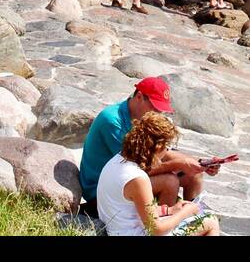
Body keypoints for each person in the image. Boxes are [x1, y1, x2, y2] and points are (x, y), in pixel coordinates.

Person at [78, 78, 221, 220]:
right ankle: (161, 226)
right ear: (139, 96)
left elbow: (164, 154)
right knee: (169, 182)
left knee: (194, 175)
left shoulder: (142, 119)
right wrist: (179, 164)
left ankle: (190, 222)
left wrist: (201, 164)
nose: (158, 114)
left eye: (161, 111)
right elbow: (134, 168)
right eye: (155, 108)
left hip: (128, 178)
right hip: (101, 191)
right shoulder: (112, 121)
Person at [97, 113, 221, 237]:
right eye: (167, 147)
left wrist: (170, 210)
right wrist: (185, 212)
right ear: (158, 147)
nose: (167, 151)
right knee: (211, 221)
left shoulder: (117, 160)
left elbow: (129, 210)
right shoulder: (137, 179)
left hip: (118, 229)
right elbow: (156, 230)